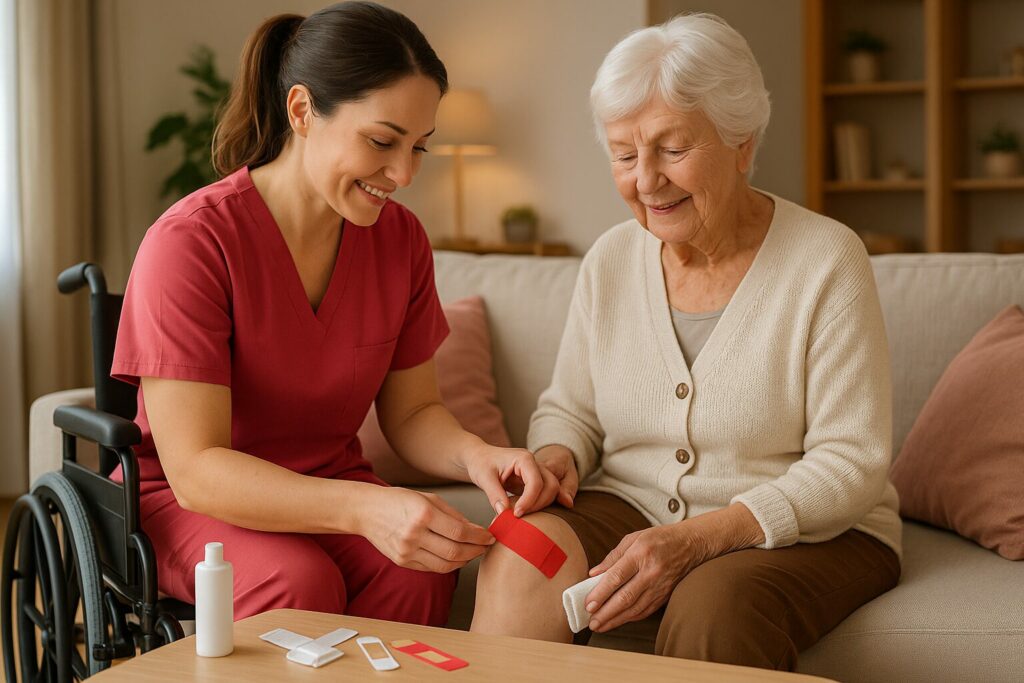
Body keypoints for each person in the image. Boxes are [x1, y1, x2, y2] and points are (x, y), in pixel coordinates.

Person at [471, 13, 902, 670]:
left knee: (713, 605)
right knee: (524, 551)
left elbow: (851, 463)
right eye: (623, 153)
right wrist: (558, 451)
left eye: (672, 149)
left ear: (742, 144)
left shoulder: (826, 259)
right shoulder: (612, 259)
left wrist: (699, 537)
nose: (646, 179)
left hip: (805, 528)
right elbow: (571, 407)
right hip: (631, 502)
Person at [112, 2, 560, 626]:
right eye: (381, 141)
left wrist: (475, 456)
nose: (403, 173)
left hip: (329, 480)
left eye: (419, 147)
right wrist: (362, 509)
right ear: (301, 110)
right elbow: (196, 470)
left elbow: (413, 412)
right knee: (298, 583)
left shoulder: (400, 241)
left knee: (417, 573)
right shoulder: (192, 242)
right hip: (188, 503)